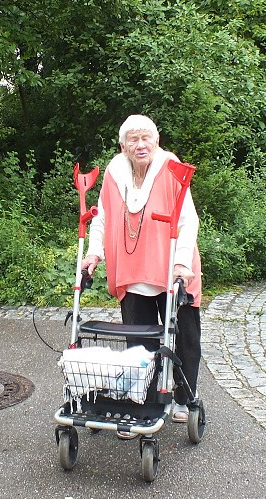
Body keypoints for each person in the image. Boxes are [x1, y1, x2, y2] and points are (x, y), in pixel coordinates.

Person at [82, 115, 202, 424]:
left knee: (185, 337)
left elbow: (189, 218)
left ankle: (183, 399)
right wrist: (95, 253)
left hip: (173, 269)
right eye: (133, 139)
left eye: (146, 137)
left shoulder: (171, 167)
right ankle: (143, 401)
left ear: (157, 139)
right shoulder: (114, 172)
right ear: (122, 145)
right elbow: (103, 216)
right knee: (139, 343)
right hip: (133, 270)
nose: (140, 144)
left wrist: (181, 263)